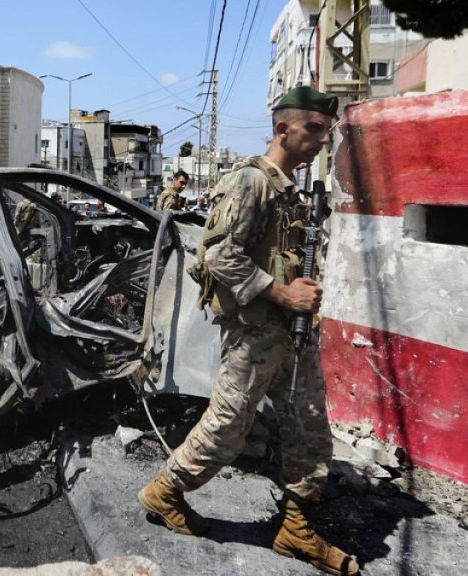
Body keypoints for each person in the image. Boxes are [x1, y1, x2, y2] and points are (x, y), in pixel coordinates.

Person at [137, 86, 358, 576]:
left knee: (310, 428)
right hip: (255, 333)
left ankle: (295, 529)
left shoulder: (291, 190)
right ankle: (165, 491)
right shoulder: (249, 183)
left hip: (291, 334)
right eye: (314, 129)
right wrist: (284, 295)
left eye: (327, 131)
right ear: (283, 129)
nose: (323, 140)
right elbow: (218, 256)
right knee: (228, 427)